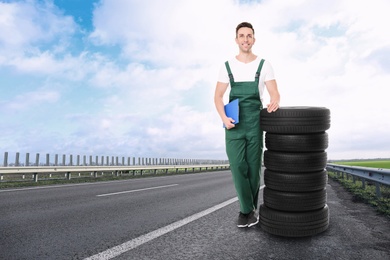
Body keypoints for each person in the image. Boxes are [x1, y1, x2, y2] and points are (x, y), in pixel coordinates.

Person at [214, 22, 280, 228]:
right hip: (233, 123)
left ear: (254, 39)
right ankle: (248, 209)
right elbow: (217, 96)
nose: (245, 39)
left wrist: (275, 101)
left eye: (249, 36)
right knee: (236, 165)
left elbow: (274, 92)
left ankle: (248, 212)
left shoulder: (264, 65)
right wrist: (224, 118)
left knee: (253, 168)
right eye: (241, 36)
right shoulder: (227, 66)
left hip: (254, 122)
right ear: (236, 40)